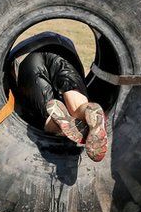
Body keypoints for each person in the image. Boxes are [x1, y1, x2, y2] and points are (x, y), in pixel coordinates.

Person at [7, 32, 108, 162]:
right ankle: (87, 110)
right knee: (75, 104)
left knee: (46, 115)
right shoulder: (62, 42)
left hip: (27, 60)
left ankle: (59, 127)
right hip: (62, 52)